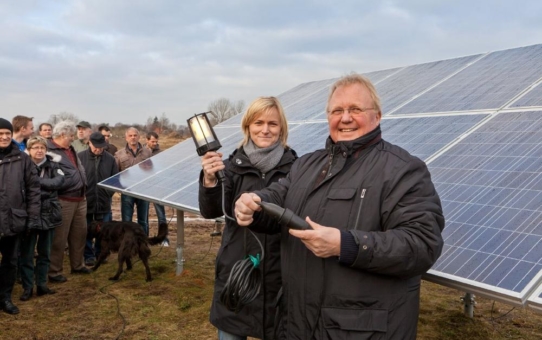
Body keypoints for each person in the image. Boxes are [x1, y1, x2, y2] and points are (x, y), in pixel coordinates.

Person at [234, 74, 445, 339]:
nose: (345, 118)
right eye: (337, 111)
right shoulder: (307, 165)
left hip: (360, 331)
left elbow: (422, 244)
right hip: (296, 325)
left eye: (355, 109)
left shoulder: (402, 170)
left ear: (377, 116)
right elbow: (278, 195)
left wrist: (346, 245)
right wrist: (253, 204)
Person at [199, 97, 297, 340]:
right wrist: (209, 181)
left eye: (273, 124)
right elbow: (212, 211)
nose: (265, 129)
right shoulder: (231, 167)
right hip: (237, 272)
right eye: (258, 122)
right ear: (247, 127)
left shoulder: (297, 168)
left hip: (280, 273)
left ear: (281, 128)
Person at [0, 118, 41, 314]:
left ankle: (5, 298)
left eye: (7, 133)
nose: (5, 137)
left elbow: (33, 189)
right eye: (0, 134)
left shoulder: (22, 158)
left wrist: (32, 217)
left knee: (10, 261)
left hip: (13, 218)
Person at [19, 136, 64, 301]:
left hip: (49, 214)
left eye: (42, 147)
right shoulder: (22, 166)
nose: (39, 150)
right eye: (35, 147)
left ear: (46, 149)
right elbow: (20, 188)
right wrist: (44, 188)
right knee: (27, 253)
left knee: (45, 252)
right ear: (29, 150)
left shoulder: (54, 165)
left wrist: (35, 183)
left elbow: (58, 183)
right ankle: (27, 287)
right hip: (29, 215)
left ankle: (42, 284)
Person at [48, 121, 90, 283]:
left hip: (80, 198)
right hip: (63, 199)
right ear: (62, 135)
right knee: (59, 236)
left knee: (79, 234)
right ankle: (54, 271)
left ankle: (78, 265)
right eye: (71, 135)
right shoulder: (49, 150)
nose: (73, 139)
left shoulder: (70, 148)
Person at [79, 132, 119, 266]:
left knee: (104, 231)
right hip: (86, 201)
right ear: (89, 143)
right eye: (96, 146)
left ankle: (100, 253)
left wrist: (107, 194)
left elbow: (115, 180)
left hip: (103, 202)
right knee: (86, 230)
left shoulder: (110, 159)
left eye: (101, 147)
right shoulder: (80, 158)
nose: (98, 149)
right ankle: (88, 255)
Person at [115, 127, 152, 235]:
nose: (133, 138)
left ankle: (143, 243)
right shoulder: (119, 154)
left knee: (143, 221)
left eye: (135, 135)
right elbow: (116, 174)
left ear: (139, 137)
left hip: (143, 191)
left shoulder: (147, 152)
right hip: (127, 191)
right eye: (130, 136)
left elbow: (152, 170)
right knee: (126, 220)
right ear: (126, 138)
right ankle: (127, 243)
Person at [145, 132, 168, 242]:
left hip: (157, 187)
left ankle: (163, 238)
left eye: (156, 141)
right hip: (144, 187)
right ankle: (144, 237)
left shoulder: (161, 154)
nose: (154, 143)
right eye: (152, 141)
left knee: (161, 214)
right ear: (147, 140)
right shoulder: (142, 153)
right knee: (143, 215)